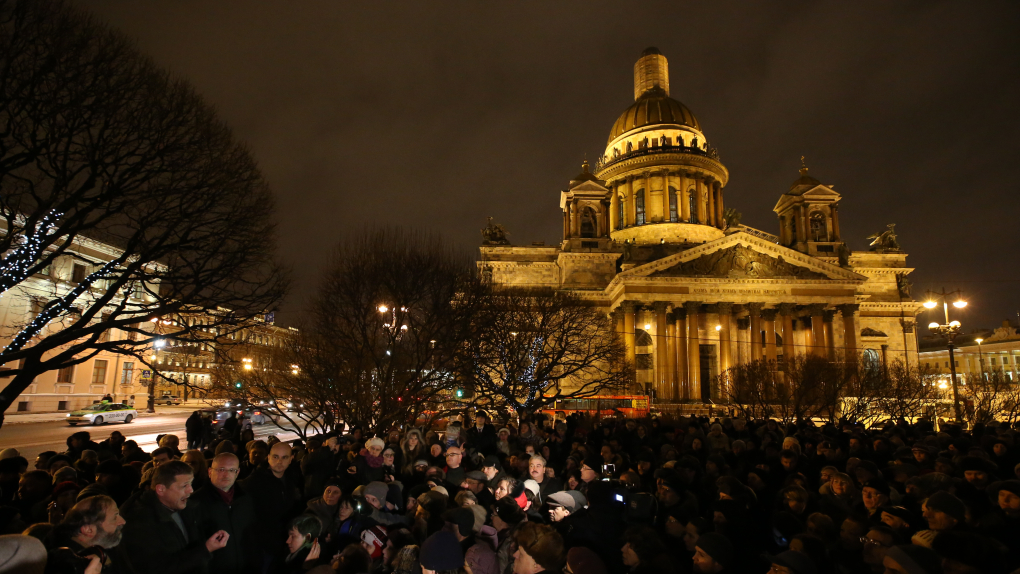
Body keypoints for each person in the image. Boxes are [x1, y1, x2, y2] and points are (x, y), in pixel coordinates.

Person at [120, 461, 229, 574]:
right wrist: (205, 550)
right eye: (184, 485)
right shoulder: (139, 522)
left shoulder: (186, 507)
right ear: (161, 489)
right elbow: (154, 568)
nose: (191, 490)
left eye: (191, 484)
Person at [188, 452, 257, 574]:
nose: (226, 474)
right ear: (210, 472)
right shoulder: (195, 503)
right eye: (221, 469)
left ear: (237, 473)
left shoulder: (246, 499)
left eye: (231, 470)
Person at [242, 441, 302, 573]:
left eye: (284, 457)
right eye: (275, 457)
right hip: (263, 546)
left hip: (285, 542)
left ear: (291, 459)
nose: (279, 461)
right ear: (268, 457)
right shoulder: (254, 483)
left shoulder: (291, 477)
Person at [53, 494, 134, 574]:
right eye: (114, 518)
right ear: (88, 530)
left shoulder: (110, 551)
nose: (123, 521)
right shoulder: (67, 567)